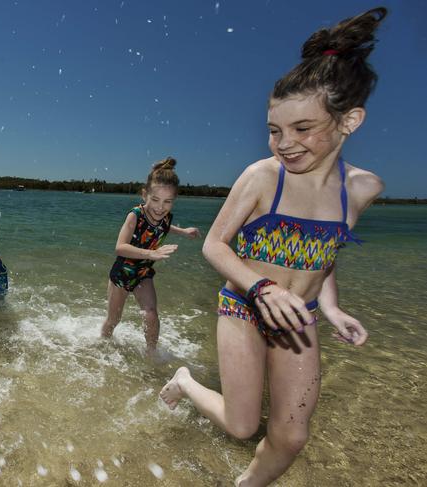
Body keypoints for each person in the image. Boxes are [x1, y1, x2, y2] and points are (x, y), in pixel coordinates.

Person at [160, 7, 387, 486]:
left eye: (302, 128)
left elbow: (324, 258)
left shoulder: (362, 189)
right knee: (242, 426)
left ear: (350, 121)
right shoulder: (263, 177)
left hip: (298, 316)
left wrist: (332, 307)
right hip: (244, 306)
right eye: (274, 129)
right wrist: (262, 287)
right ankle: (184, 380)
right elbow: (216, 247)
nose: (284, 143)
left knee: (291, 436)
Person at [101, 157, 201, 353]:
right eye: (155, 200)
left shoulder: (165, 217)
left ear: (174, 200)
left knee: (151, 314)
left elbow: (163, 226)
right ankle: (101, 347)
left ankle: (151, 354)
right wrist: (151, 253)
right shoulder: (135, 215)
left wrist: (183, 231)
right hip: (122, 273)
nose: (160, 207)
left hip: (144, 272)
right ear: (144, 194)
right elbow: (120, 247)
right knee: (114, 320)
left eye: (167, 202)